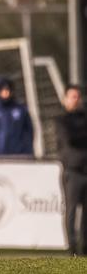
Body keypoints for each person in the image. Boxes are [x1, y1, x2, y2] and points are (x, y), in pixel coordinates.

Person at [56, 84, 87, 256]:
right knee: (71, 211)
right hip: (72, 172)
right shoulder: (62, 120)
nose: (76, 100)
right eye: (72, 96)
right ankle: (72, 249)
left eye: (78, 96)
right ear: (65, 99)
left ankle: (84, 249)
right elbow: (71, 139)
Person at [0, 76, 33, 157]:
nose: (5, 93)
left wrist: (27, 151)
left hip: (20, 155)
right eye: (2, 90)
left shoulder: (21, 110)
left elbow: (29, 132)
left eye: (7, 90)